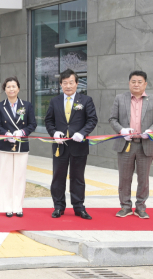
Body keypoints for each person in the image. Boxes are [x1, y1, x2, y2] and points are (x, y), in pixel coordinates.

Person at [109, 70, 153, 219]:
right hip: (125, 144)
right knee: (124, 178)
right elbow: (113, 119)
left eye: (140, 82)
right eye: (133, 81)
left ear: (145, 83)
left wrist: (151, 131)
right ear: (129, 83)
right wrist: (122, 130)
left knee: (143, 178)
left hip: (145, 144)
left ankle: (141, 207)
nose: (136, 84)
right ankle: (125, 206)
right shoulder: (120, 98)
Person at [45, 69, 97, 220]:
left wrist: (82, 133)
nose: (68, 86)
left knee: (78, 178)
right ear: (60, 84)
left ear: (77, 83)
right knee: (58, 177)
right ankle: (58, 207)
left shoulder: (86, 100)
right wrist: (53, 133)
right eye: (65, 83)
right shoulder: (55, 101)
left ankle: (79, 207)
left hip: (79, 146)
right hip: (59, 146)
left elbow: (92, 120)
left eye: (71, 82)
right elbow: (49, 121)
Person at [0, 77, 36, 218]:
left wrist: (22, 132)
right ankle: (7, 206)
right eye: (8, 87)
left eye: (14, 86)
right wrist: (6, 134)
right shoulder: (0, 106)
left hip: (21, 144)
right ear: (4, 89)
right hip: (5, 144)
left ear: (18, 88)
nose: (11, 89)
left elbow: (32, 124)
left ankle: (18, 206)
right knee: (5, 176)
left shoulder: (27, 105)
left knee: (19, 176)